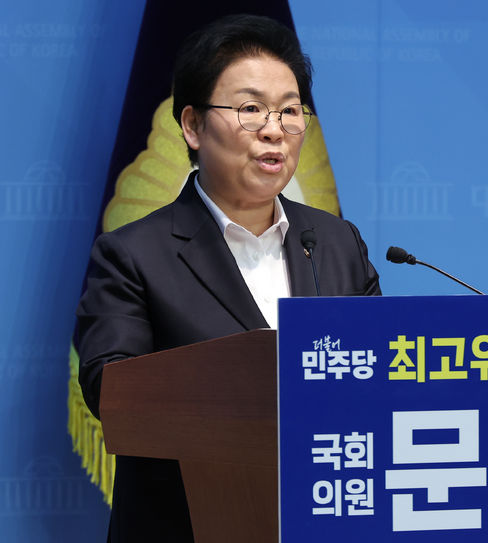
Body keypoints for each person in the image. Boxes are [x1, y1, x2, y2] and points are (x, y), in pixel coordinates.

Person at [76, 14, 381, 542]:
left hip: (322, 517)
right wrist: (252, 387)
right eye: (250, 109)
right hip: (188, 525)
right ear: (193, 126)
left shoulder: (338, 243)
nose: (274, 130)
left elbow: (380, 374)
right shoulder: (131, 255)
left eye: (290, 111)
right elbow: (112, 392)